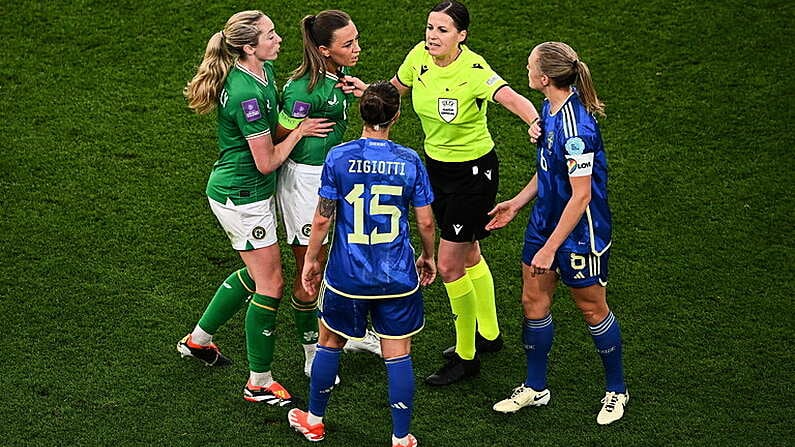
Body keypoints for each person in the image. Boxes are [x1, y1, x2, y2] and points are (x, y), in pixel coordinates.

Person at [178, 10, 333, 406]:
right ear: (249, 47)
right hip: (242, 196)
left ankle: (198, 341)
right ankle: (258, 382)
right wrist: (300, 131)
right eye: (270, 35)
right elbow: (266, 161)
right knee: (272, 284)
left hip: (249, 191)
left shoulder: (257, 74)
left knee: (256, 273)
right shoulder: (247, 92)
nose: (279, 39)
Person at [389, 1, 541, 386]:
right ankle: (489, 335)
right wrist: (368, 91)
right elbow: (395, 91)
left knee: (450, 265)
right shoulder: (418, 57)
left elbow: (509, 97)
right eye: (430, 27)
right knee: (469, 251)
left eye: (442, 30)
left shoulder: (473, 69)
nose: (432, 36)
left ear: (462, 36)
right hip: (436, 170)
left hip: (474, 175)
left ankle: (466, 357)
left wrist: (537, 121)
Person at [287, 81, 436, 447]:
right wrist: (428, 256)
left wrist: (310, 260)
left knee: (330, 341)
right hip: (398, 275)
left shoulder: (338, 157)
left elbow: (322, 219)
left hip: (346, 276)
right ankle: (400, 437)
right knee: (397, 352)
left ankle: (314, 421)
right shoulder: (409, 161)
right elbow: (426, 222)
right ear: (396, 116)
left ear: (362, 114)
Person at [487, 42, 628, 425]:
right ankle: (536, 387)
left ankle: (617, 390)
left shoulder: (576, 129)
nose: (526, 68)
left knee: (591, 307)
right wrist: (516, 204)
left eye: (530, 65)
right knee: (533, 301)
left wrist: (551, 248)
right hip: (544, 223)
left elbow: (581, 196)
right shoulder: (550, 112)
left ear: (545, 78)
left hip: (582, 234)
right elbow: (550, 172)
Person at [276, 10, 381, 377]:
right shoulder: (303, 90)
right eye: (348, 43)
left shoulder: (338, 77)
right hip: (305, 182)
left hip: (335, 176)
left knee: (347, 259)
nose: (357, 48)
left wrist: (364, 89)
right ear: (324, 50)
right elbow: (276, 132)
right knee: (311, 268)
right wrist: (298, 131)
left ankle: (350, 334)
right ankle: (311, 353)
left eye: (355, 39)